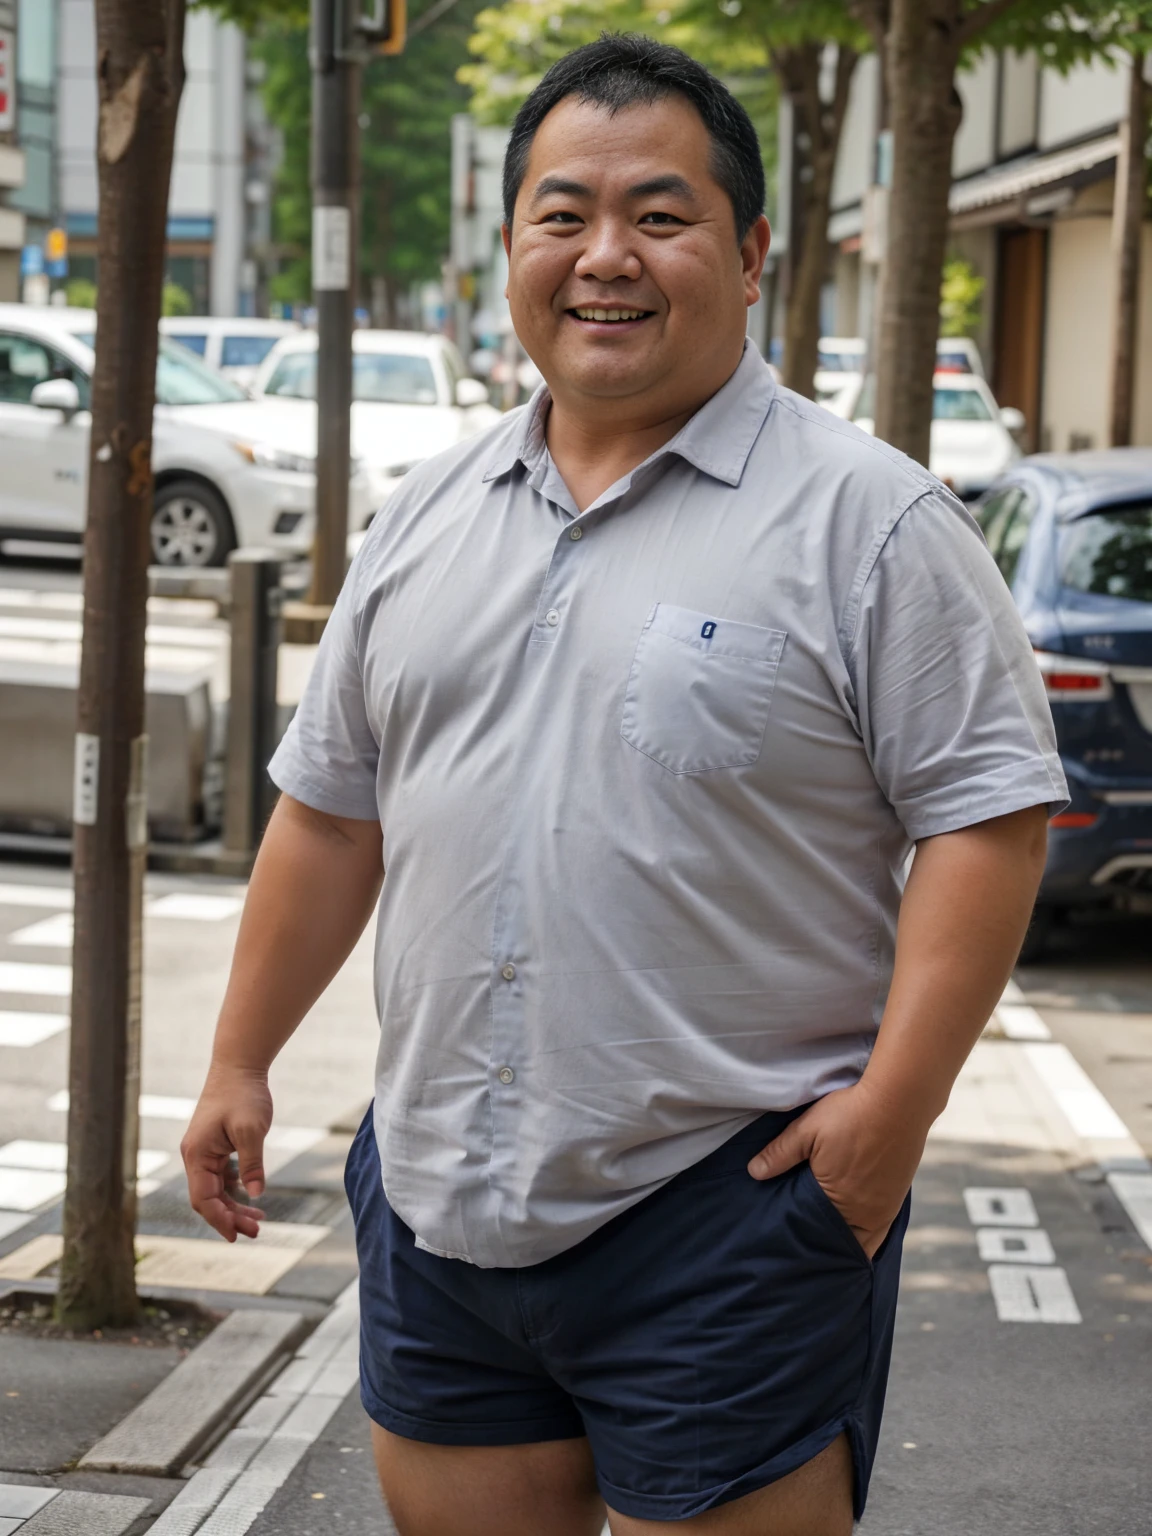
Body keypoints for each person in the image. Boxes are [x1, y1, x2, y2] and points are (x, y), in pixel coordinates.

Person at [182, 35, 1066, 1536]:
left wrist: (888, 1127)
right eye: (563, 215)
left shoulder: (872, 524)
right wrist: (240, 1060)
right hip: (447, 1204)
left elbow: (988, 822)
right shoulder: (427, 516)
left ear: (752, 250)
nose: (607, 257)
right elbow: (334, 812)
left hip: (728, 1212)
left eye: (660, 217)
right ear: (512, 241)